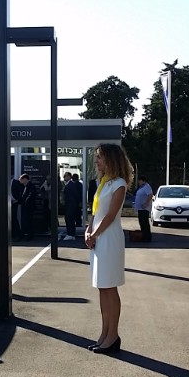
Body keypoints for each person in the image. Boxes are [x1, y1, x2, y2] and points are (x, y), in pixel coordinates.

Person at [85, 143, 133, 355]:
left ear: (111, 159)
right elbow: (96, 212)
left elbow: (111, 215)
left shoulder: (119, 184)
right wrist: (88, 230)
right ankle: (105, 334)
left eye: (100, 157)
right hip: (98, 238)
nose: (97, 161)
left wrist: (94, 234)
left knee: (110, 287)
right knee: (102, 287)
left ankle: (112, 335)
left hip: (109, 239)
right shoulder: (104, 183)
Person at [63, 172, 83, 241]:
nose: (64, 177)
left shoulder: (71, 185)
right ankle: (71, 233)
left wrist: (77, 203)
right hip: (69, 204)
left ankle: (71, 234)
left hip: (71, 205)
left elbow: (76, 194)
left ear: (69, 176)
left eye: (65, 176)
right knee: (69, 219)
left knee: (69, 219)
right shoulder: (68, 184)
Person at [135, 175, 154, 242]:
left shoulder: (146, 187)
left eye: (139, 181)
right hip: (140, 209)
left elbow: (150, 195)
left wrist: (146, 203)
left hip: (144, 209)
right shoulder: (142, 187)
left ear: (143, 181)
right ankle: (143, 236)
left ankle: (147, 237)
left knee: (145, 223)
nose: (138, 182)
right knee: (142, 223)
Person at [19, 173, 36, 241]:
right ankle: (28, 235)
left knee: (27, 221)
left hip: (28, 206)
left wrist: (24, 201)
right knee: (27, 221)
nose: (20, 181)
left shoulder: (30, 186)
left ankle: (25, 235)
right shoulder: (25, 187)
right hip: (26, 206)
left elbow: (29, 195)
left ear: (25, 179)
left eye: (21, 179)